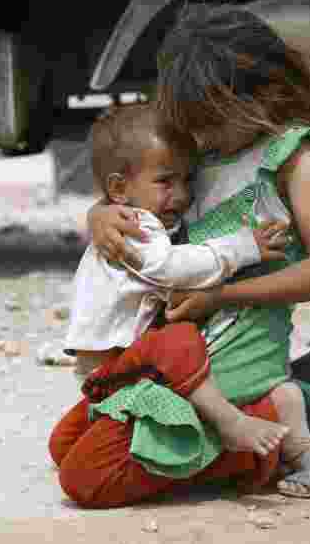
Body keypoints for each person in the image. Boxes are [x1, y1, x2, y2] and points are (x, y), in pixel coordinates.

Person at [49, 3, 310, 507]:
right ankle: (265, 417)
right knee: (67, 446)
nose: (202, 137)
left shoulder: (295, 158)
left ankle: (278, 423)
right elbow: (145, 199)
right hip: (174, 347)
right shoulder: (206, 154)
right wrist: (101, 214)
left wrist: (221, 294)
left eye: (211, 122)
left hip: (236, 348)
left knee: (88, 477)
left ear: (262, 95)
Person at [62, 103, 292, 458]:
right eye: (165, 182)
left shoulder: (129, 215)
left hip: (113, 367)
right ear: (119, 188)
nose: (182, 195)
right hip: (112, 365)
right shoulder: (135, 226)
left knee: (66, 443)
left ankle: (249, 428)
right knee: (178, 341)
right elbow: (169, 266)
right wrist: (245, 247)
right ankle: (231, 425)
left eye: (186, 181)